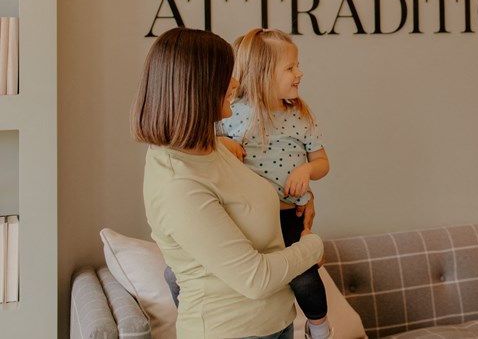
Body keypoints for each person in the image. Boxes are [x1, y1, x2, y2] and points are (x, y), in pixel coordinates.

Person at [131, 27, 324, 339]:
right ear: (198, 87)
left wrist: (304, 195)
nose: (237, 83)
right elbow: (255, 279)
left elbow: (251, 192)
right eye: (227, 75)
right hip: (231, 330)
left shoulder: (212, 146)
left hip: (275, 323)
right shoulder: (178, 183)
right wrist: (312, 245)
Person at [218, 28, 333, 339]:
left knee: (306, 279)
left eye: (298, 65)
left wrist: (307, 170)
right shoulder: (231, 113)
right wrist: (223, 143)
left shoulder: (301, 115)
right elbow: (209, 149)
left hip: (289, 215)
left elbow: (323, 163)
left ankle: (320, 328)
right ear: (263, 74)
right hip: (250, 220)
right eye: (290, 67)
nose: (300, 73)